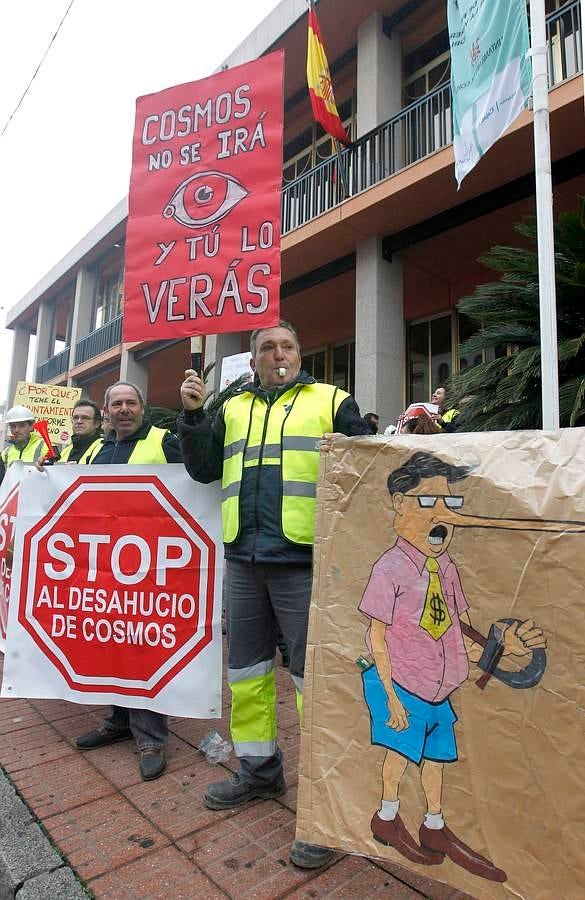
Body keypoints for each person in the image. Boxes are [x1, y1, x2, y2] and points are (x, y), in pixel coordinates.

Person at [179, 321, 370, 870]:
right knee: (247, 675)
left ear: (300, 353)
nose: (277, 354)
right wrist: (193, 416)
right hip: (245, 560)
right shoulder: (233, 406)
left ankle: (327, 807)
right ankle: (260, 773)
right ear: (254, 358)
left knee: (318, 685)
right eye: (267, 348)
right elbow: (203, 469)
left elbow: (366, 468)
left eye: (286, 345)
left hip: (305, 562)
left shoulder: (331, 400)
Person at [358, 450, 560, 882]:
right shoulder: (390, 568)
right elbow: (375, 635)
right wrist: (391, 699)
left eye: (451, 504)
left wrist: (503, 647)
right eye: (430, 502)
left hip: (438, 688)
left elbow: (460, 628)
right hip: (401, 683)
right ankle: (387, 816)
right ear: (399, 503)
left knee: (435, 758)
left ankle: (434, 826)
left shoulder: (446, 567)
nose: (443, 516)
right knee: (401, 753)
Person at [75, 381, 183, 781]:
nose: (123, 409)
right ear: (106, 411)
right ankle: (119, 719)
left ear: (143, 407)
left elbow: (197, 482)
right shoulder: (93, 450)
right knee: (109, 644)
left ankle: (151, 736)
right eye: (116, 403)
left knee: (144, 650)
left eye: (130, 403)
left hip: (150, 571)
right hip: (103, 569)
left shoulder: (164, 441)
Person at [1, 406, 45, 475]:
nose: (16, 430)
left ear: (31, 427)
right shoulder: (5, 453)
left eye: (22, 425)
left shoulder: (44, 448)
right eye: (13, 426)